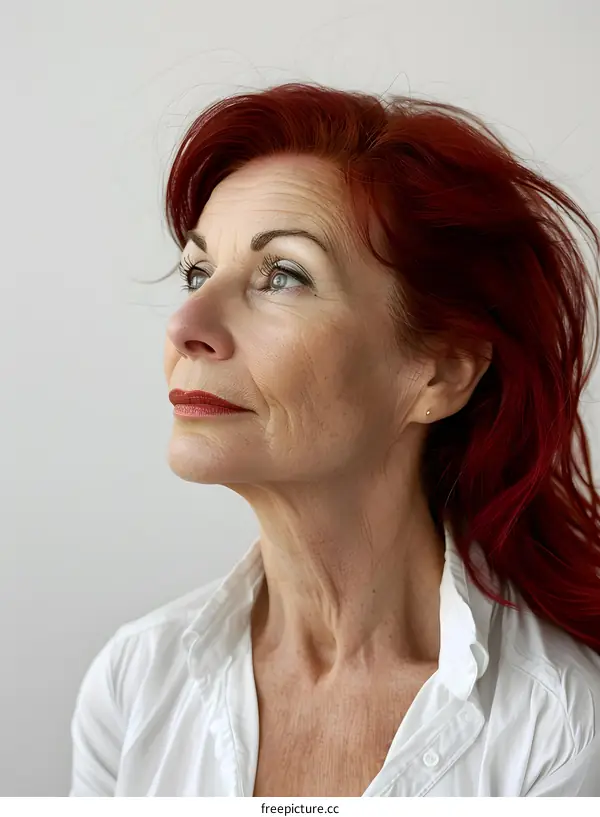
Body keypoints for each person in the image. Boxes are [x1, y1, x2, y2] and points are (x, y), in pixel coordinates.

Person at [69, 82, 600, 797]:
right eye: (198, 270)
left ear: (440, 372)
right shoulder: (134, 684)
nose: (185, 322)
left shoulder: (561, 726)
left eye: (281, 275)